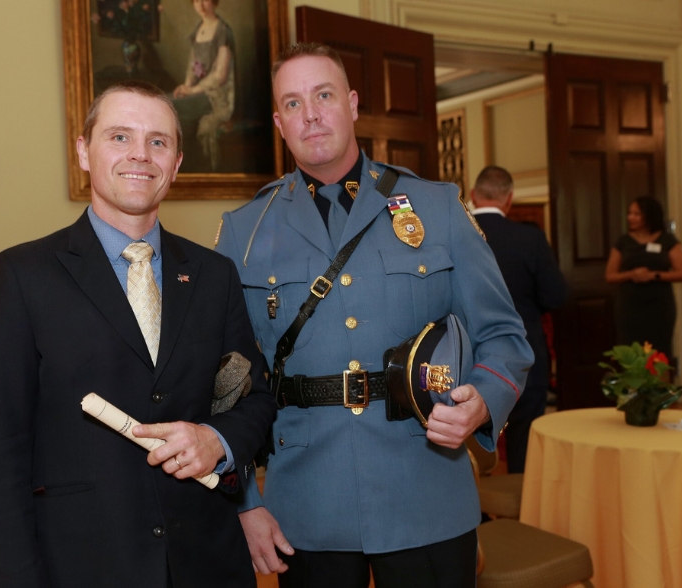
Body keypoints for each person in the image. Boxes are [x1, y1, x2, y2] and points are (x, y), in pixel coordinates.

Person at [214, 43, 533, 588]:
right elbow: (227, 384)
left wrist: (482, 401)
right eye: (293, 103)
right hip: (307, 507)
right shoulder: (244, 232)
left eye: (324, 95)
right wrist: (244, 502)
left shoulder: (435, 207)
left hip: (426, 490)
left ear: (353, 104)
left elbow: (504, 337)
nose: (310, 113)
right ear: (278, 123)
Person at [0, 80, 276, 588]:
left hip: (206, 562)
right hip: (81, 564)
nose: (141, 155)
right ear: (84, 152)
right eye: (119, 137)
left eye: (158, 141)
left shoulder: (213, 275)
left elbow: (251, 400)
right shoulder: (21, 277)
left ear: (177, 163)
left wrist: (215, 439)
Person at [470, 166, 567, 474]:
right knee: (524, 439)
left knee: (465, 440)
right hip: (523, 353)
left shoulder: (457, 234)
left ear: (473, 195)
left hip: (467, 356)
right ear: (509, 199)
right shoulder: (530, 239)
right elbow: (555, 296)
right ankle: (522, 509)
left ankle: (479, 512)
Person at [605, 195, 682, 362]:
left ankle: (660, 387)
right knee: (630, 352)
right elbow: (610, 276)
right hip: (630, 307)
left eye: (636, 214)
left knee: (659, 353)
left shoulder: (667, 240)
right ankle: (634, 388)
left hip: (660, 307)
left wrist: (654, 275)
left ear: (649, 215)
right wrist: (631, 274)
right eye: (630, 213)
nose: (631, 217)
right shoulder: (623, 241)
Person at [171, 0, 235, 171]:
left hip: (216, 95)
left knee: (176, 108)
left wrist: (192, 90)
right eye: (196, 0)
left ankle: (190, 166)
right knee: (170, 102)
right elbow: (193, 66)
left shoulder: (222, 30)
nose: (200, 4)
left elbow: (220, 75)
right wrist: (186, 87)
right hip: (197, 93)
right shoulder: (198, 29)